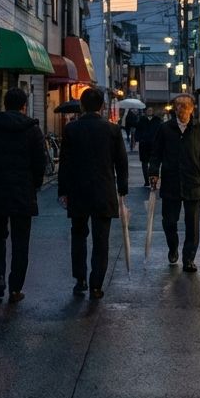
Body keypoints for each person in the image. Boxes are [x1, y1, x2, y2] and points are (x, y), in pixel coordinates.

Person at [0, 88, 48, 303]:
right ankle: (15, 288)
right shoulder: (32, 130)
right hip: (23, 192)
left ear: (4, 104)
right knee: (21, 241)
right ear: (24, 105)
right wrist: (35, 185)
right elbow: (40, 163)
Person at [57, 88, 129, 299]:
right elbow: (121, 162)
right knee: (101, 239)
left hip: (78, 190)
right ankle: (96, 284)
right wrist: (122, 188)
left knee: (78, 235)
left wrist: (63, 190)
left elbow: (65, 163)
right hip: (103, 190)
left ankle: (80, 279)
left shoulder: (71, 129)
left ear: (82, 106)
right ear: (102, 106)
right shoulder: (112, 130)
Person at [147, 93, 200, 273]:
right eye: (178, 106)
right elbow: (156, 153)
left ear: (192, 109)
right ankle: (173, 247)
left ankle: (189, 258)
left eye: (185, 106)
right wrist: (153, 172)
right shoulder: (165, 128)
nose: (181, 109)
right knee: (169, 221)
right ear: (175, 109)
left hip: (193, 181)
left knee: (192, 224)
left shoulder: (199, 129)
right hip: (171, 180)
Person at [134, 106, 162, 186]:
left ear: (153, 111)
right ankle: (146, 180)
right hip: (144, 144)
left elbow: (160, 131)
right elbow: (138, 131)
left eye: (151, 110)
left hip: (154, 145)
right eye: (148, 110)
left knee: (154, 164)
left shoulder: (157, 120)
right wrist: (139, 139)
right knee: (144, 163)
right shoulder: (142, 120)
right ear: (146, 111)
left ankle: (153, 181)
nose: (149, 111)